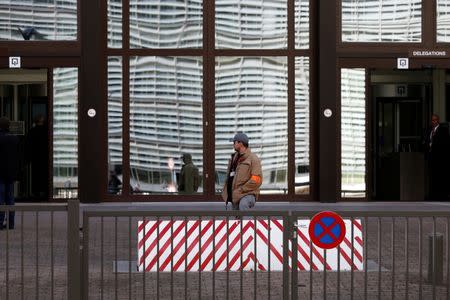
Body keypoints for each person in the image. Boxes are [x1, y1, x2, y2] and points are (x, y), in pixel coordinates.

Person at [222, 132, 262, 210]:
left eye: (234, 142)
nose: (233, 144)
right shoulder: (234, 158)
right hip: (235, 195)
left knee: (243, 206)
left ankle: (246, 222)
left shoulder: (253, 159)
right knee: (235, 220)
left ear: (240, 143)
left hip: (247, 194)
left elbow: (256, 180)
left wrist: (242, 189)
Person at [424, 114, 450, 200]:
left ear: (438, 121)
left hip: (440, 158)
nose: (433, 122)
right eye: (432, 120)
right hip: (431, 158)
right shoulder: (429, 131)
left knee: (440, 176)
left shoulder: (443, 130)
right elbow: (426, 142)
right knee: (432, 176)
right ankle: (433, 194)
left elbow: (445, 143)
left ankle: (442, 195)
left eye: (435, 120)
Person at [0, 117, 20, 230]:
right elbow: (18, 157)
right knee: (10, 199)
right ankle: (11, 223)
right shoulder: (15, 139)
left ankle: (0, 222)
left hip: (0, 173)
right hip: (11, 173)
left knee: (0, 199)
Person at [26, 114, 48, 200]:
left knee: (35, 174)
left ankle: (36, 192)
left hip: (35, 156)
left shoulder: (32, 131)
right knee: (44, 174)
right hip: (45, 156)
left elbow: (28, 145)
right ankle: (45, 191)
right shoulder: (47, 131)